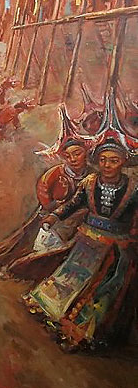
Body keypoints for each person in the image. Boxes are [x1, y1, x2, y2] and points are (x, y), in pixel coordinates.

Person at [26, 134, 137, 352]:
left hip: (117, 249)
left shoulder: (134, 188)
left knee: (105, 289)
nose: (107, 165)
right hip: (87, 243)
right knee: (71, 276)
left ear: (123, 162)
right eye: (103, 160)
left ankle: (83, 331)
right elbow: (73, 204)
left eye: (113, 160)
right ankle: (51, 311)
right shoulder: (90, 182)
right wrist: (54, 217)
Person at [0, 107, 93, 281]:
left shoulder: (91, 176)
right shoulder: (57, 172)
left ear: (85, 154)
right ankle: (3, 262)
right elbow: (43, 187)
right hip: (49, 213)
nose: (73, 159)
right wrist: (50, 206)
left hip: (71, 219)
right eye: (68, 156)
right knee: (26, 239)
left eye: (77, 154)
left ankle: (23, 269)